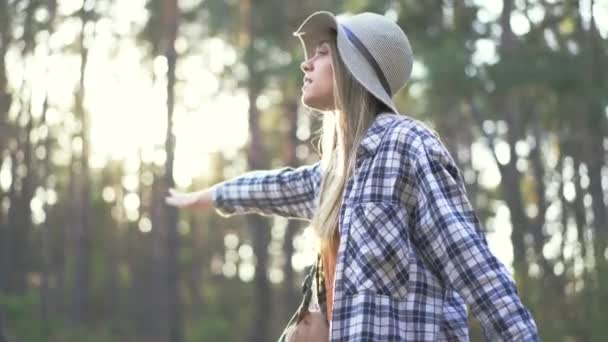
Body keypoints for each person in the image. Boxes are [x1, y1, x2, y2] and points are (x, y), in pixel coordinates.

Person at [165, 11, 540, 341]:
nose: (306, 64)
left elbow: (472, 265)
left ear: (354, 68)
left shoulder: (407, 144)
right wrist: (211, 195)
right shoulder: (334, 177)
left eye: (323, 53)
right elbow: (275, 187)